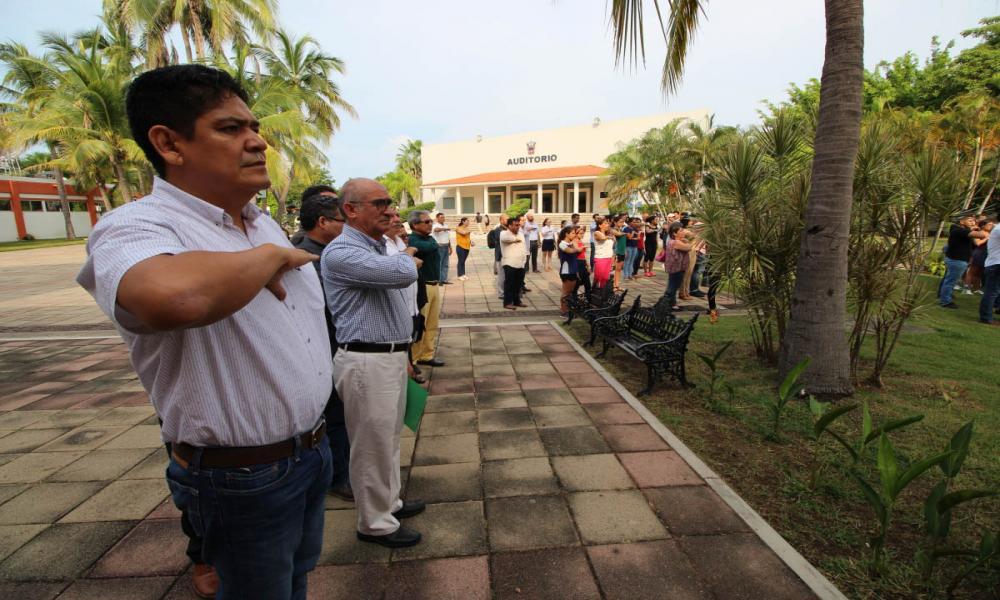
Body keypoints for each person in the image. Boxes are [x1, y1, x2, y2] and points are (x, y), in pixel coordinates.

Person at [78, 64, 332, 599]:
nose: (257, 141)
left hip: (310, 451)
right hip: (242, 475)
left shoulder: (259, 222)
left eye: (253, 127)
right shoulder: (137, 225)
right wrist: (268, 259)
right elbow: (171, 296)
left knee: (295, 581)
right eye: (230, 128)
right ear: (169, 144)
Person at [322, 178, 426, 549]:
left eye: (389, 203)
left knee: (387, 440)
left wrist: (405, 355)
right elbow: (403, 273)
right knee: (371, 446)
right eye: (380, 203)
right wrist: (406, 253)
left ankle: (388, 503)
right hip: (367, 359)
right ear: (351, 210)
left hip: (388, 356)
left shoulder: (377, 246)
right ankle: (375, 523)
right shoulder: (342, 251)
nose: (390, 211)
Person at [293, 190, 353, 502]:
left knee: (340, 419)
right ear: (322, 222)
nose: (346, 227)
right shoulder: (305, 258)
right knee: (334, 420)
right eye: (342, 221)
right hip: (322, 349)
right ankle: (338, 478)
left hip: (333, 346)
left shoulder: (325, 253)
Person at [385, 214, 424, 384]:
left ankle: (411, 367)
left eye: (398, 219)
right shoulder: (382, 244)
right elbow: (402, 267)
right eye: (390, 217)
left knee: (411, 338)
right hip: (398, 306)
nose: (397, 221)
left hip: (411, 302)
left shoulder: (398, 242)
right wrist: (410, 252)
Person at [408, 210, 447, 368]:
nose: (430, 224)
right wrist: (433, 243)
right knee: (421, 324)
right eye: (426, 222)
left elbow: (431, 245)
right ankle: (414, 358)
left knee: (432, 323)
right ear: (414, 225)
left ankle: (427, 355)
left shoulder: (428, 238)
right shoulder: (412, 239)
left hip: (434, 285)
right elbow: (429, 247)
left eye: (430, 221)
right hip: (422, 287)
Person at [940, 215, 988, 308]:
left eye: (973, 221)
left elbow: (976, 240)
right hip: (957, 260)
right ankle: (945, 301)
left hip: (956, 259)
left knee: (949, 280)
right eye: (970, 220)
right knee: (950, 281)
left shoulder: (958, 229)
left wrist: (975, 228)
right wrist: (985, 230)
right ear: (961, 221)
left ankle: (945, 296)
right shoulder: (960, 231)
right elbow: (982, 235)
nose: (973, 223)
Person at [663, 221, 702, 311]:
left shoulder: (675, 241)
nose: (683, 232)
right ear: (674, 233)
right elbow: (688, 248)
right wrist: (688, 242)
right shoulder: (675, 242)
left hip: (677, 268)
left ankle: (671, 303)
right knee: (672, 287)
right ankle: (668, 304)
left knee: (672, 286)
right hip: (676, 268)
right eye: (680, 231)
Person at [501, 216, 528, 309]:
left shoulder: (520, 234)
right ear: (509, 225)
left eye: (518, 225)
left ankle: (517, 301)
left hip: (520, 263)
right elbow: (505, 239)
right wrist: (516, 239)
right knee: (509, 284)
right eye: (516, 225)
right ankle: (507, 303)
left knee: (518, 284)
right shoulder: (503, 233)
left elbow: (523, 247)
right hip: (509, 263)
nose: (518, 227)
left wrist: (524, 260)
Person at [978, 213, 1000, 326]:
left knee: (993, 291)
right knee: (992, 292)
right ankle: (986, 317)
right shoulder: (999, 229)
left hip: (995, 264)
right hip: (996, 264)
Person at [557, 226, 581, 317]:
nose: (574, 235)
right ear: (566, 234)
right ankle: (564, 311)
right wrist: (575, 245)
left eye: (575, 233)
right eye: (573, 233)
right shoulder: (562, 244)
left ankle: (568, 310)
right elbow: (571, 251)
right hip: (566, 271)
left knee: (570, 292)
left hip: (573, 270)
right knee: (566, 292)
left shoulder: (570, 243)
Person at [489, 213, 509, 299]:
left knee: (507, 275)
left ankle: (506, 291)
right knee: (501, 275)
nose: (508, 220)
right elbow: (503, 240)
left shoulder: (507, 229)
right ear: (501, 220)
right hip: (500, 255)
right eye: (506, 219)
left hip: (508, 255)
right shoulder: (498, 230)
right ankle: (501, 293)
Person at [592, 218, 614, 289]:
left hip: (608, 258)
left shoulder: (608, 234)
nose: (607, 225)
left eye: (608, 223)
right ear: (600, 225)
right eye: (605, 223)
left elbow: (611, 247)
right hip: (600, 258)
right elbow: (602, 238)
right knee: (599, 277)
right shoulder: (597, 233)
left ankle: (603, 292)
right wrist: (609, 237)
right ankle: (594, 291)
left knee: (606, 278)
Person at [432, 212, 452, 284]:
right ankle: (439, 280)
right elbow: (436, 230)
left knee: (445, 264)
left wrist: (450, 247)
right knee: (439, 263)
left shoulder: (446, 225)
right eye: (441, 217)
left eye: (443, 217)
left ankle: (444, 279)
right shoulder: (435, 225)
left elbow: (448, 237)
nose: (443, 218)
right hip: (439, 247)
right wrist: (444, 229)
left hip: (446, 246)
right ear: (437, 218)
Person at [611, 215, 627, 292]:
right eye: (620, 222)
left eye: (623, 222)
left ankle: (617, 285)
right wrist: (625, 233)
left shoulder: (620, 229)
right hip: (616, 252)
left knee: (619, 269)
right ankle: (613, 286)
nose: (622, 223)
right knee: (614, 269)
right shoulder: (613, 230)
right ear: (615, 222)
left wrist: (625, 251)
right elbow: (618, 235)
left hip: (622, 251)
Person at [455, 216, 473, 281]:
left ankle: (463, 274)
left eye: (469, 221)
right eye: (467, 221)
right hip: (460, 247)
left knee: (463, 261)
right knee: (461, 261)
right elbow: (463, 233)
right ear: (463, 221)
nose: (468, 222)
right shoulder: (458, 228)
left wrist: (471, 242)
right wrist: (469, 231)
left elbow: (468, 237)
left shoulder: (467, 228)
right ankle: (459, 275)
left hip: (467, 247)